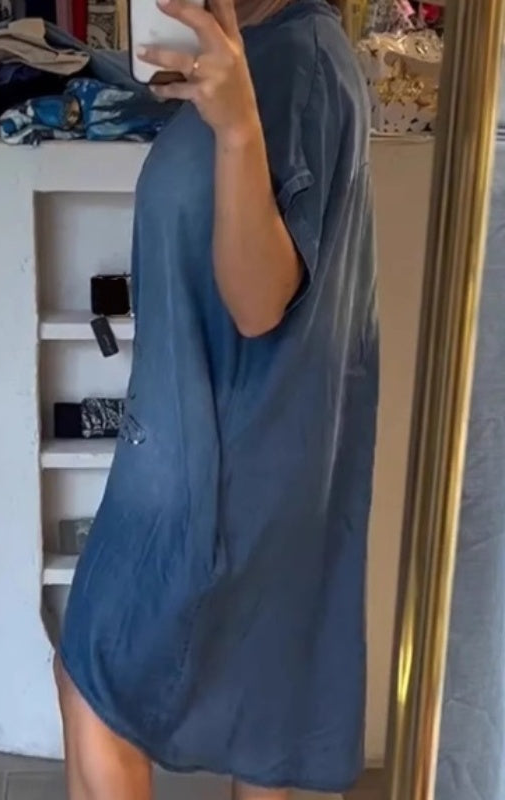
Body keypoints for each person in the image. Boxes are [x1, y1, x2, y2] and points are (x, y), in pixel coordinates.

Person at [55, 0, 377, 797]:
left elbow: (260, 299)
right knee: (260, 723)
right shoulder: (266, 49)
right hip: (239, 444)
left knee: (96, 675)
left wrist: (235, 132)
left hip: (219, 461)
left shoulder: (296, 63)